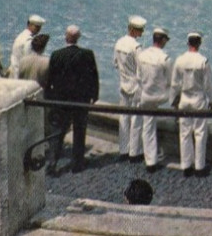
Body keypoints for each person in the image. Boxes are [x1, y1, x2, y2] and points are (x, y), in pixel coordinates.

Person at [45, 25, 100, 175]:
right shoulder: (87, 54)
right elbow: (93, 77)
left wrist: (49, 97)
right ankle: (77, 163)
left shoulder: (56, 55)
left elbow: (50, 79)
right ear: (78, 38)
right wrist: (94, 95)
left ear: (66, 37)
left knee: (58, 132)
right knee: (79, 131)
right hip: (80, 100)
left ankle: (52, 163)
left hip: (61, 100)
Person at [170, 32, 212, 178]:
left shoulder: (180, 60)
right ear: (199, 44)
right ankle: (199, 166)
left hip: (184, 99)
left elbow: (175, 83)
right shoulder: (203, 61)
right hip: (198, 99)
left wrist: (174, 100)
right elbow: (209, 84)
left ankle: (186, 165)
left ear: (188, 43)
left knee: (184, 133)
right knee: (200, 133)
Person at [136, 27, 173, 172]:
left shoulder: (142, 55)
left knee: (147, 126)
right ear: (163, 40)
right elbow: (171, 81)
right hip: (160, 97)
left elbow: (139, 77)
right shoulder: (165, 58)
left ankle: (149, 159)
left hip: (145, 95)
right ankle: (151, 161)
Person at [113, 15, 146, 162]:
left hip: (123, 82)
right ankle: (134, 152)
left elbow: (115, 63)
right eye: (140, 30)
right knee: (136, 120)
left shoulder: (119, 43)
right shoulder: (136, 47)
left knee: (124, 118)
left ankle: (123, 149)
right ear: (133, 30)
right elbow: (141, 69)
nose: (142, 32)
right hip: (135, 86)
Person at [9, 14, 46, 79]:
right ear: (30, 25)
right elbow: (29, 59)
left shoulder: (22, 35)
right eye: (36, 27)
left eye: (39, 27)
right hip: (20, 74)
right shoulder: (28, 40)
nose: (38, 29)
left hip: (15, 68)